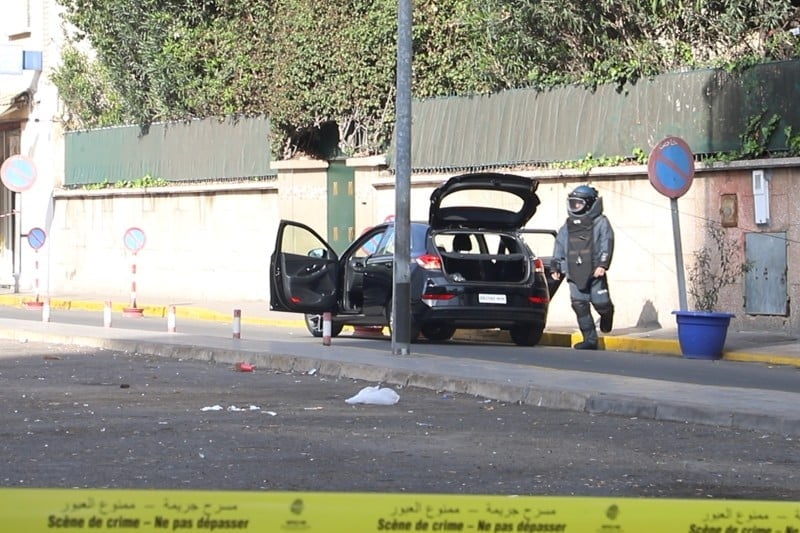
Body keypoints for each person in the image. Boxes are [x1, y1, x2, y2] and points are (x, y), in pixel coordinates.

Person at [551, 185, 615, 350]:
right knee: (579, 305)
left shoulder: (601, 222)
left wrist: (603, 265)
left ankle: (607, 313)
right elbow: (559, 246)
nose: (575, 206)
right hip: (573, 271)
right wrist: (556, 267)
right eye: (573, 203)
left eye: (579, 203)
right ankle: (590, 340)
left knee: (601, 303)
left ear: (588, 203)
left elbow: (606, 243)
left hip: (594, 271)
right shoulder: (567, 225)